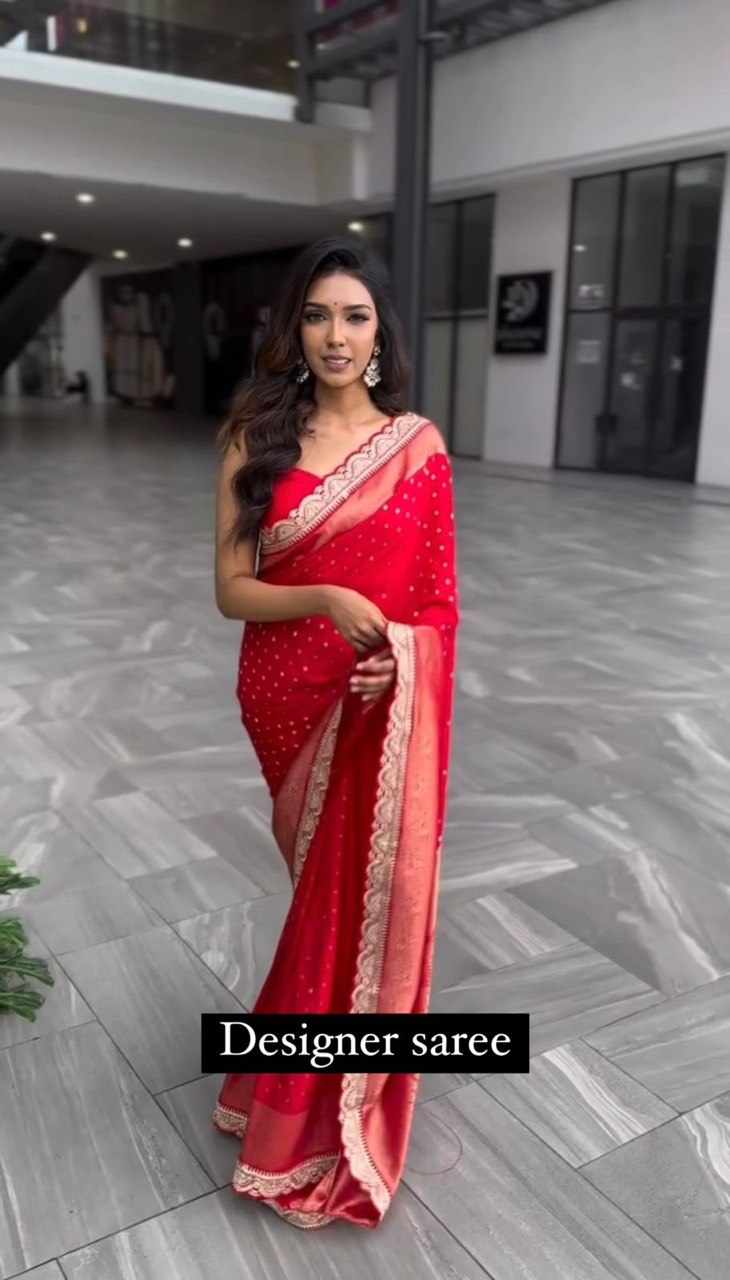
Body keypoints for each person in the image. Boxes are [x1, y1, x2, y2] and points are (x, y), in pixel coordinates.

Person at [211, 234, 460, 1230]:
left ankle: (303, 1104)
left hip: (373, 702)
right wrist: (323, 593)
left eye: (354, 316)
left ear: (380, 332)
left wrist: (400, 657)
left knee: (343, 906)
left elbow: (436, 604)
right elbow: (232, 591)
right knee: (325, 899)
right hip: (285, 695)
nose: (335, 336)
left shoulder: (418, 447)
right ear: (292, 329)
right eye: (315, 316)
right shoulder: (253, 435)